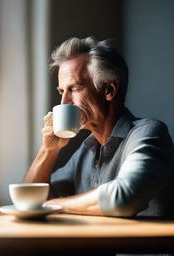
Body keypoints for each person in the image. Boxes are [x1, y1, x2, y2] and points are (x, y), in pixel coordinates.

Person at [24, 36, 174, 217]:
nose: (64, 103)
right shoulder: (86, 150)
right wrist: (48, 149)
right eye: (62, 91)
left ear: (109, 90)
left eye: (74, 89)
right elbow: (29, 199)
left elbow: (123, 199)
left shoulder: (148, 133)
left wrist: (53, 205)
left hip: (143, 246)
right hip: (96, 245)